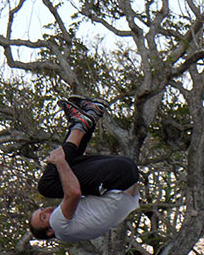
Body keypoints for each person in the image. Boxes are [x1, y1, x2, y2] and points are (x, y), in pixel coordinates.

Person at [28, 96, 140, 242]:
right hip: (119, 178)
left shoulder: (72, 230)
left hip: (127, 176)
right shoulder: (57, 225)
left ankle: (92, 113)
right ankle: (80, 123)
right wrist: (59, 161)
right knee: (47, 186)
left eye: (43, 209)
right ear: (49, 231)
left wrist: (64, 163)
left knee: (69, 167)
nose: (48, 210)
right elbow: (73, 193)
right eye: (43, 217)